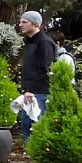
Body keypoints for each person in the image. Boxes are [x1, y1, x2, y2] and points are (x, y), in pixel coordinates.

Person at [17, 10, 58, 141]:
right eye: (20, 21)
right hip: (32, 91)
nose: (20, 25)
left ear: (35, 24)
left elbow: (45, 69)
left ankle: (42, 158)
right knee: (27, 124)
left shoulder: (44, 42)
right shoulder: (30, 41)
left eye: (24, 22)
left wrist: (31, 90)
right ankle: (37, 157)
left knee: (36, 125)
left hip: (41, 91)